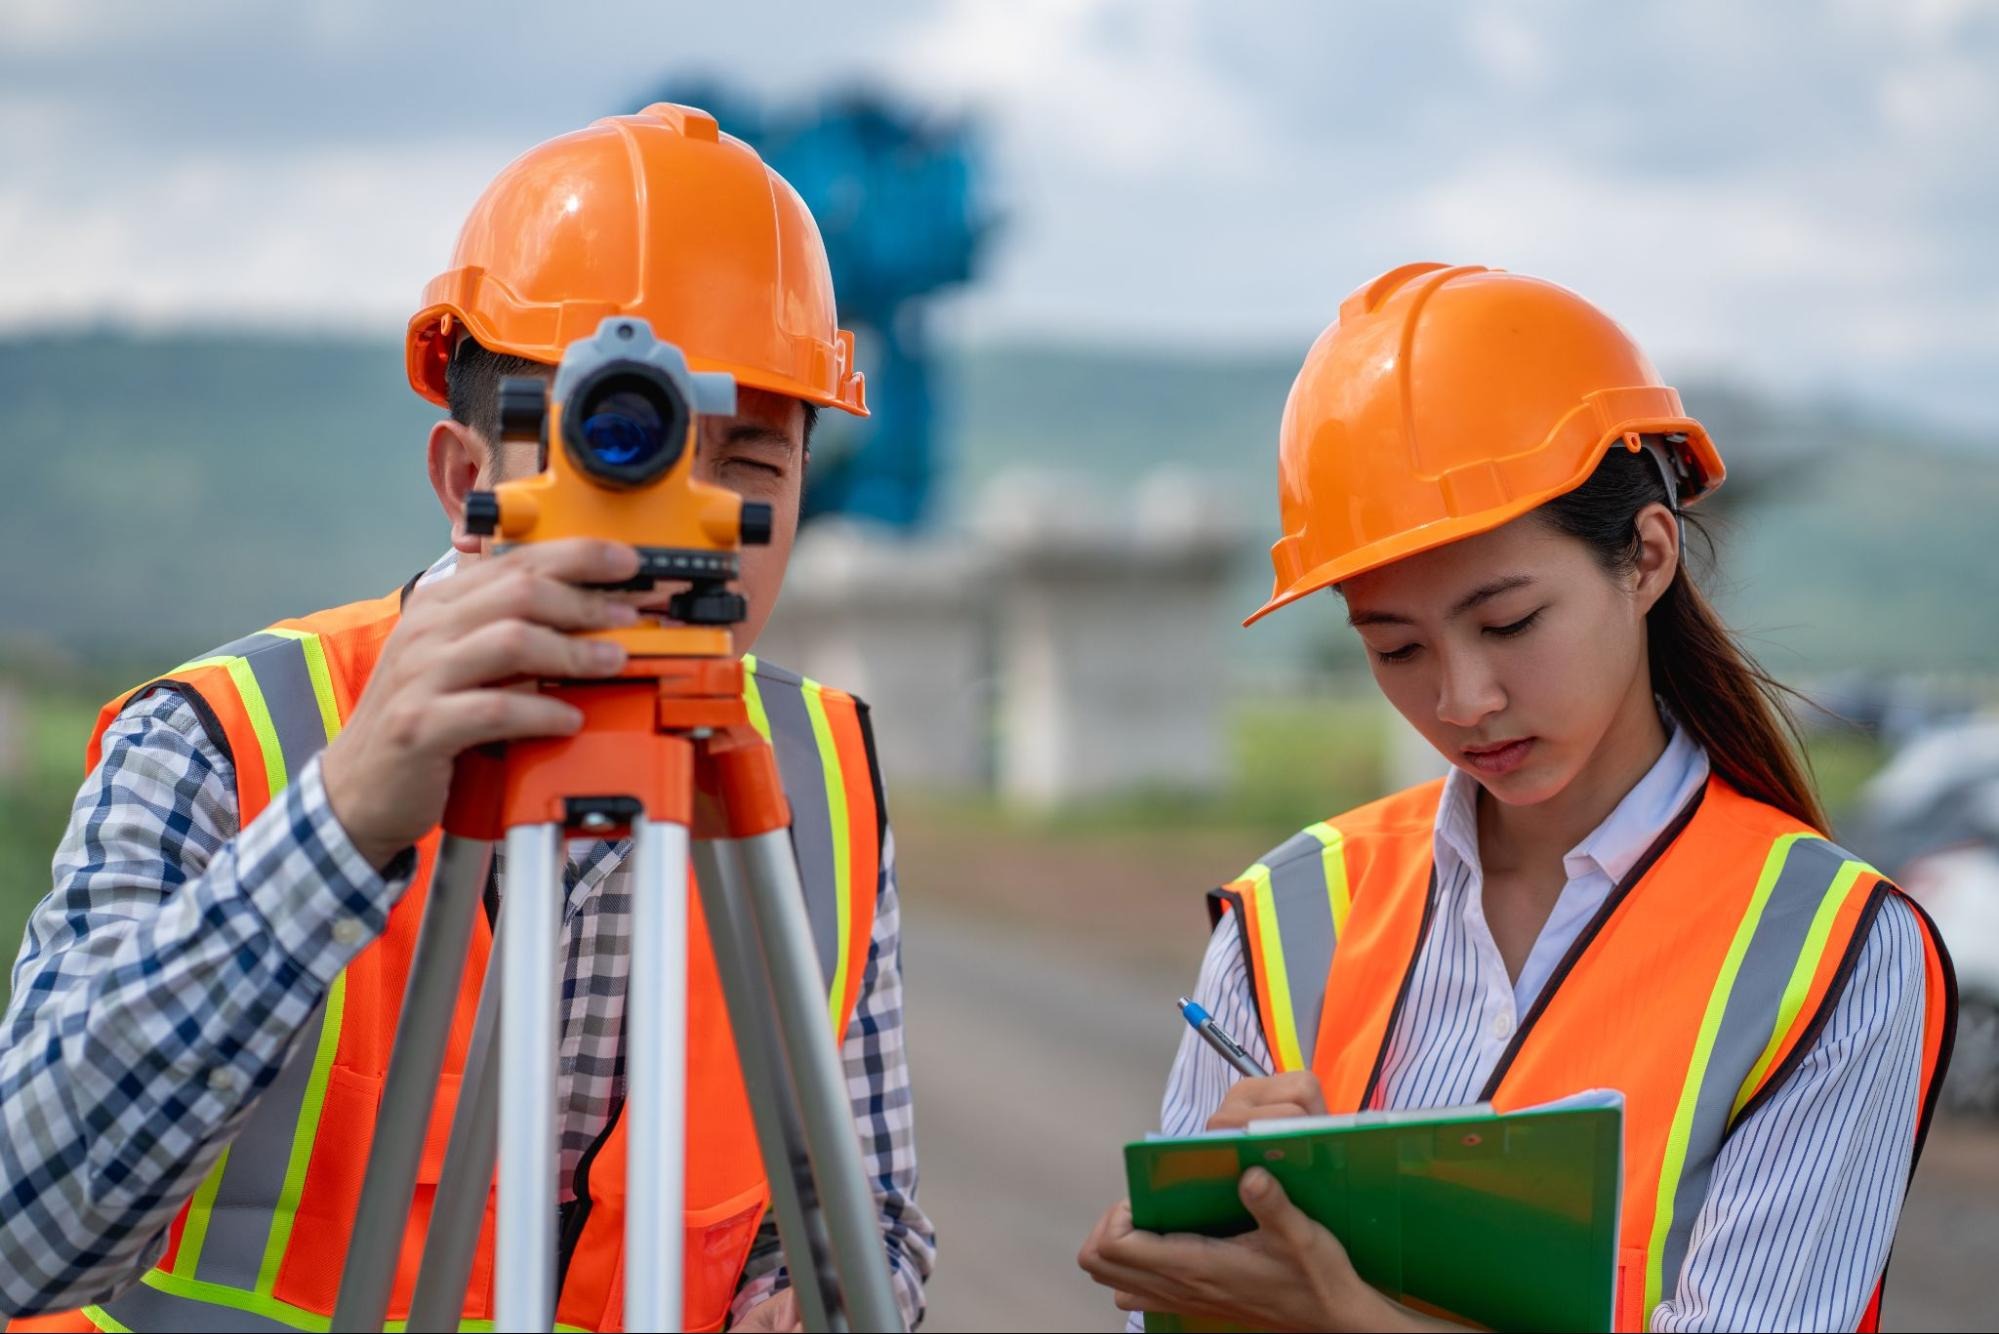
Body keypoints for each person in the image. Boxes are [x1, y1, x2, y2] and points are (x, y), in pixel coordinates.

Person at [0, 104, 933, 1333]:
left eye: (747, 461)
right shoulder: (223, 744)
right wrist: (335, 827)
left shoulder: (815, 783)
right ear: (463, 478)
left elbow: (860, 1210)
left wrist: (803, 1293)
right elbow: (23, 1230)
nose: (677, 518)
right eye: (619, 450)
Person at [1079, 262, 1954, 1332]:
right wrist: (1195, 1258)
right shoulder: (1289, 918)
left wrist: (1337, 1313)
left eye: (1507, 623)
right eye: (1395, 646)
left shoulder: (1831, 951)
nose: (1461, 698)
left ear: (1644, 556)